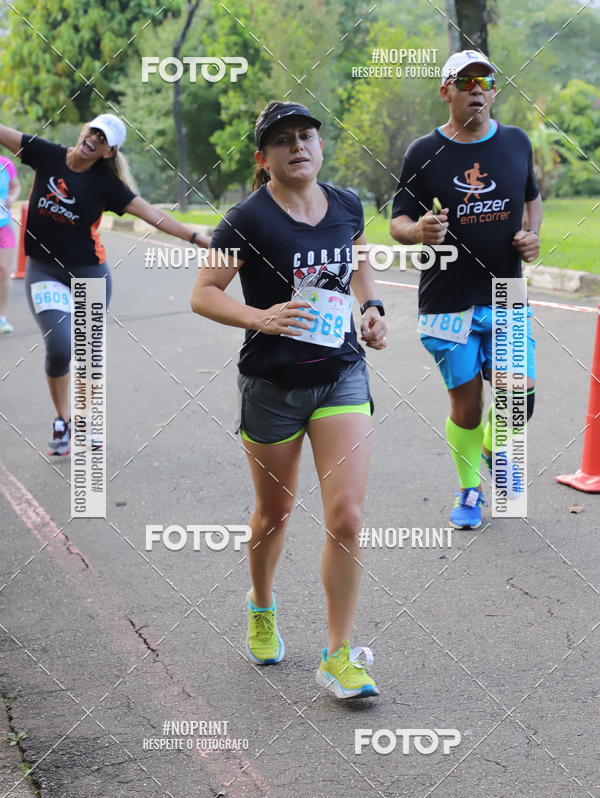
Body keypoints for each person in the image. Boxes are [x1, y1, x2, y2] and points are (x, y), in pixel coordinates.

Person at [191, 100, 387, 698]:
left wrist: (372, 308)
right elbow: (204, 292)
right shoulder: (246, 218)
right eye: (283, 140)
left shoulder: (346, 204)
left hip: (340, 374)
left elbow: (357, 259)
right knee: (274, 514)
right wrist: (262, 317)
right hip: (272, 385)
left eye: (306, 136)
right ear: (263, 157)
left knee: (347, 517)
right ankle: (261, 604)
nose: (298, 146)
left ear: (320, 146)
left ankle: (338, 654)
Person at [389, 50, 541, 529]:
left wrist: (532, 235)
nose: (477, 88)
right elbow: (397, 222)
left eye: (485, 80)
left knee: (519, 398)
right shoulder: (423, 152)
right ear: (446, 91)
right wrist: (419, 231)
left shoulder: (516, 142)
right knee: (467, 407)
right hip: (446, 302)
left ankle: (495, 450)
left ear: (494, 90)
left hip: (506, 292)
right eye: (465, 80)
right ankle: (470, 490)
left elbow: (532, 199)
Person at [0, 113, 210, 455]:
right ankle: (62, 419)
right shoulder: (46, 154)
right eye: (94, 131)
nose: (95, 139)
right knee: (60, 347)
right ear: (84, 131)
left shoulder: (106, 185)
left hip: (89, 275)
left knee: (87, 354)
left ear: (109, 152)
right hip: (44, 272)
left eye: (104, 139)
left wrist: (196, 238)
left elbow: (153, 214)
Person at [0, 153, 20, 334]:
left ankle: (1, 317)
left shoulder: (5, 163)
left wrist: (11, 199)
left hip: (3, 225)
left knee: (4, 271)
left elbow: (16, 187)